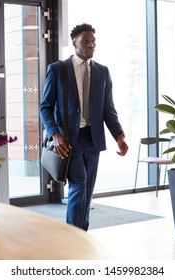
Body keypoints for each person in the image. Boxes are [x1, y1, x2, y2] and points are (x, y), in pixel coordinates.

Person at [40, 23, 128, 231]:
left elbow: (108, 109)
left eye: (93, 42)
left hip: (93, 138)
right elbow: (45, 107)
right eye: (86, 41)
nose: (91, 45)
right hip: (69, 140)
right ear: (74, 43)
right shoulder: (58, 69)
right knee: (79, 186)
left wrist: (119, 135)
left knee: (87, 191)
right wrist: (55, 134)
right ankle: (74, 236)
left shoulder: (102, 72)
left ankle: (81, 234)